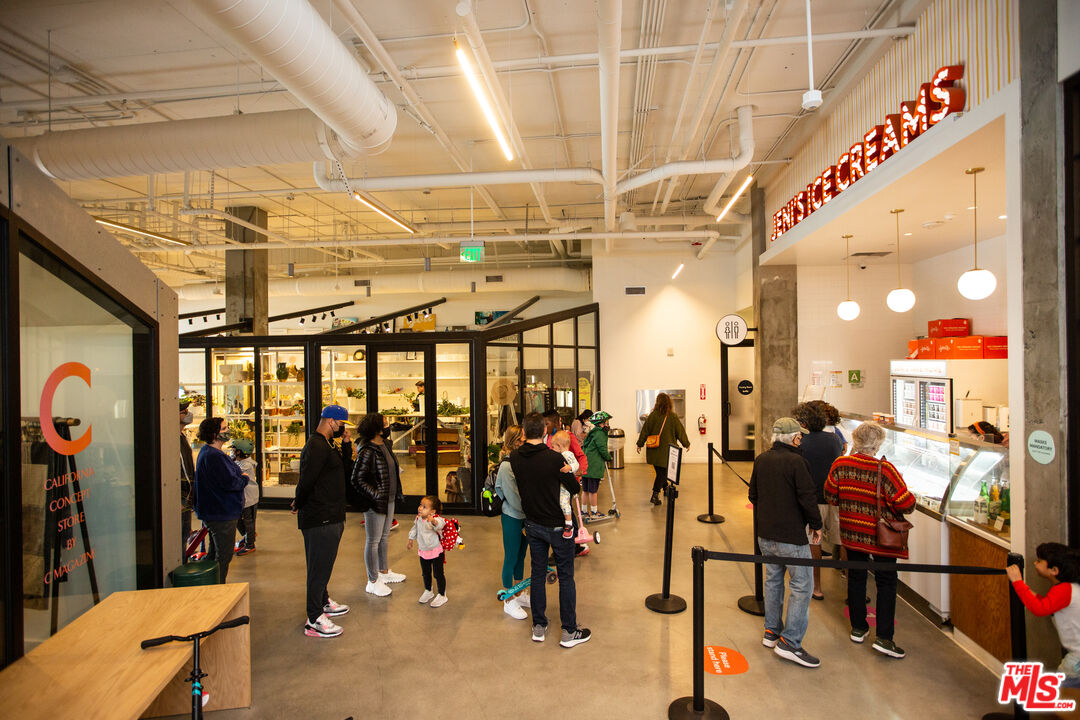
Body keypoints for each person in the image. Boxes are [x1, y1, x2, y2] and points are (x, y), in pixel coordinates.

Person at [825, 421, 916, 660]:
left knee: (856, 577)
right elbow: (906, 504)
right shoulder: (885, 470)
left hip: (852, 532)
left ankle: (858, 627)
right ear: (877, 444)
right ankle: (884, 637)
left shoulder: (841, 464)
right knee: (886, 582)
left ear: (855, 440)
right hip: (881, 536)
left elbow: (830, 495)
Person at [511, 412, 592, 648]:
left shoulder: (515, 457)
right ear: (546, 432)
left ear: (524, 433)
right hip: (559, 526)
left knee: (537, 573)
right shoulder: (555, 460)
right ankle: (568, 631)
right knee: (566, 576)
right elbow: (574, 489)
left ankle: (539, 626)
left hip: (533, 524)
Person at [748, 416, 822, 669]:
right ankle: (790, 642)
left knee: (773, 580)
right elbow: (807, 497)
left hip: (765, 535)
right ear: (793, 438)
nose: (801, 439)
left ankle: (771, 631)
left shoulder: (761, 460)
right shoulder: (797, 462)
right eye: (799, 436)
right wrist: (816, 524)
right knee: (802, 585)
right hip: (791, 536)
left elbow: (753, 495)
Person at [293, 405, 353, 639]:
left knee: (324, 563)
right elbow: (306, 479)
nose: (342, 428)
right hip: (320, 517)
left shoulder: (328, 444)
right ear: (330, 421)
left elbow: (343, 471)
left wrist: (346, 445)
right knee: (318, 566)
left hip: (332, 513)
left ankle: (323, 600)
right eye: (341, 424)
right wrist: (298, 502)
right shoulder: (316, 445)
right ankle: (314, 618)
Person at [1006, 543, 1080, 687]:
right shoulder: (1068, 588)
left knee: (1064, 695)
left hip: (1077, 657)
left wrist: (1017, 582)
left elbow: (1040, 609)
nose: (1035, 563)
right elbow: (1046, 603)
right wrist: (1023, 588)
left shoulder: (1063, 590)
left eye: (1039, 561)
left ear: (1054, 570)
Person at [351, 412, 406, 597]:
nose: (388, 426)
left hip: (388, 499)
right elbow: (357, 479)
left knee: (384, 537)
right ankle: (372, 581)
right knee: (373, 541)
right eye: (384, 424)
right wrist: (376, 495)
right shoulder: (366, 450)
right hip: (376, 503)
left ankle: (384, 572)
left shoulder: (385, 445)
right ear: (375, 428)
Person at [792, 403, 843, 599]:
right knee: (841, 540)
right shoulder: (834, 440)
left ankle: (816, 586)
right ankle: (847, 574)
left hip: (812, 498)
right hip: (834, 497)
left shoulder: (802, 443)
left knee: (815, 542)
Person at [194, 417, 247, 584]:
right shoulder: (214, 456)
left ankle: (210, 585)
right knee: (223, 555)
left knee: (214, 553)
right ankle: (217, 590)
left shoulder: (209, 453)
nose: (228, 431)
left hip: (216, 511)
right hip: (221, 513)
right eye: (224, 429)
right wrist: (244, 479)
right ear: (215, 434)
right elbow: (229, 482)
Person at [495, 425, 531, 620]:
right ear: (515, 442)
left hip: (524, 517)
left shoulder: (519, 461)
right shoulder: (507, 465)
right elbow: (513, 497)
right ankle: (508, 599)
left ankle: (519, 592)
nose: (525, 444)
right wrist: (532, 511)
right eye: (523, 441)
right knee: (511, 556)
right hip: (512, 517)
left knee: (521, 555)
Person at [635, 393, 690, 506]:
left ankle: (665, 489)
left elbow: (645, 431)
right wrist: (686, 443)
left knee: (660, 472)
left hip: (653, 451)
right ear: (669, 403)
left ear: (657, 402)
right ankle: (655, 495)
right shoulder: (672, 416)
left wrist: (639, 444)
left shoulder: (652, 416)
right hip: (667, 452)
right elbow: (680, 432)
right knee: (662, 474)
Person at [408, 495, 448, 608]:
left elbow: (441, 524)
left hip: (436, 551)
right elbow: (414, 528)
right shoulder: (418, 518)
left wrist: (434, 521)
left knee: (438, 574)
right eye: (420, 505)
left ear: (433, 511)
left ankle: (442, 594)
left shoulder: (435, 519)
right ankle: (428, 590)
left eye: (424, 507)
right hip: (423, 551)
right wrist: (411, 538)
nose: (420, 508)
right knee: (425, 573)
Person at [581, 411, 613, 518]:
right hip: (593, 466)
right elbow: (602, 449)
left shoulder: (594, 432)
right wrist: (608, 457)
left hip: (586, 465)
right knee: (593, 491)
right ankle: (594, 512)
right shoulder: (600, 434)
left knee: (585, 490)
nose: (608, 425)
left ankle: (584, 511)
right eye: (606, 422)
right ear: (601, 423)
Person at [550, 430, 581, 538]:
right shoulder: (562, 454)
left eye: (553, 447)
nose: (552, 449)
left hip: (565, 486)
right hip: (561, 484)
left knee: (563, 502)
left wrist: (570, 467)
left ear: (559, 446)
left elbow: (576, 464)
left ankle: (569, 524)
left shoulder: (567, 454)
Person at [232, 438, 259, 556]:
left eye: (233, 449)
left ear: (239, 452)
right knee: (237, 519)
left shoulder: (246, 465)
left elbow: (233, 472)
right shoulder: (239, 462)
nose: (231, 451)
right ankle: (249, 535)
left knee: (249, 521)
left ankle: (250, 544)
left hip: (250, 498)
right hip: (241, 498)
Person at [543, 410, 587, 476]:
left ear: (555, 423)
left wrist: (580, 470)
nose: (545, 427)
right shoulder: (546, 437)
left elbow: (580, 455)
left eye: (546, 424)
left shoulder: (568, 436)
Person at [179, 399, 196, 552]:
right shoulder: (172, 440)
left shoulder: (182, 437)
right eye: (184, 412)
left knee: (185, 533)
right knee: (180, 536)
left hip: (186, 497)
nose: (188, 415)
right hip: (181, 497)